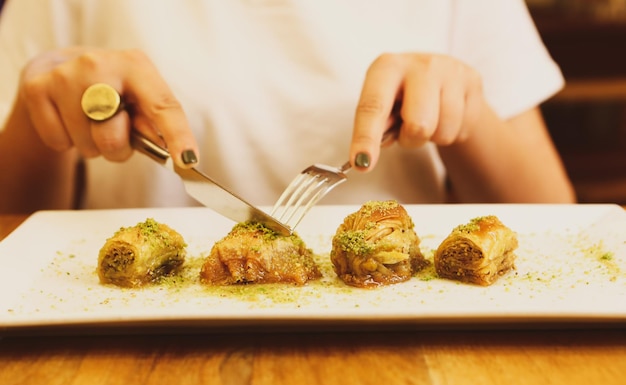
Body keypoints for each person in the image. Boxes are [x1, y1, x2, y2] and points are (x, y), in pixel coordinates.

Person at [0, 0, 575, 214]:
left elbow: (556, 222)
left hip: (417, 340)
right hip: (124, 346)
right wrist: (37, 120)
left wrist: (466, 120)